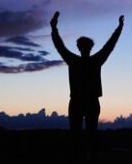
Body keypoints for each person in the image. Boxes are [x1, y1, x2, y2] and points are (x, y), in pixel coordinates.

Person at [51, 11, 124, 154]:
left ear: (79, 47)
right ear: (90, 47)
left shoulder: (75, 61)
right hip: (87, 101)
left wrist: (54, 29)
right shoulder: (94, 60)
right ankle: (89, 159)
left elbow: (60, 46)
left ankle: (81, 159)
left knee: (78, 135)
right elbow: (110, 45)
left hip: (80, 101)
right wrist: (119, 28)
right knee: (90, 135)